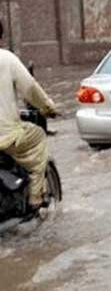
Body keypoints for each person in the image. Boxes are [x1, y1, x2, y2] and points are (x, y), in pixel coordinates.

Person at [0, 21, 59, 211]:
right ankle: (35, 198)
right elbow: (31, 89)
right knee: (38, 136)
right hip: (5, 136)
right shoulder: (6, 59)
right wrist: (48, 107)